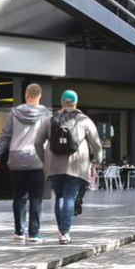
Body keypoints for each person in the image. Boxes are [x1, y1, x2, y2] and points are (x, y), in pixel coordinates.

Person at [39, 90, 102, 244]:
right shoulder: (84, 120)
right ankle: (65, 232)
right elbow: (96, 144)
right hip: (77, 165)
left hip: (54, 166)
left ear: (61, 102)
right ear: (76, 103)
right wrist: (97, 161)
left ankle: (62, 231)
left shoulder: (49, 119)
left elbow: (36, 142)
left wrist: (45, 160)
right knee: (69, 197)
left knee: (59, 197)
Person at [0, 83, 51, 243]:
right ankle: (34, 234)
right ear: (40, 96)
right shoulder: (47, 114)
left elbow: (5, 136)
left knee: (19, 196)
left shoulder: (14, 113)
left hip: (16, 160)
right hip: (38, 159)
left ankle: (19, 232)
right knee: (36, 197)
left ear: (26, 95)